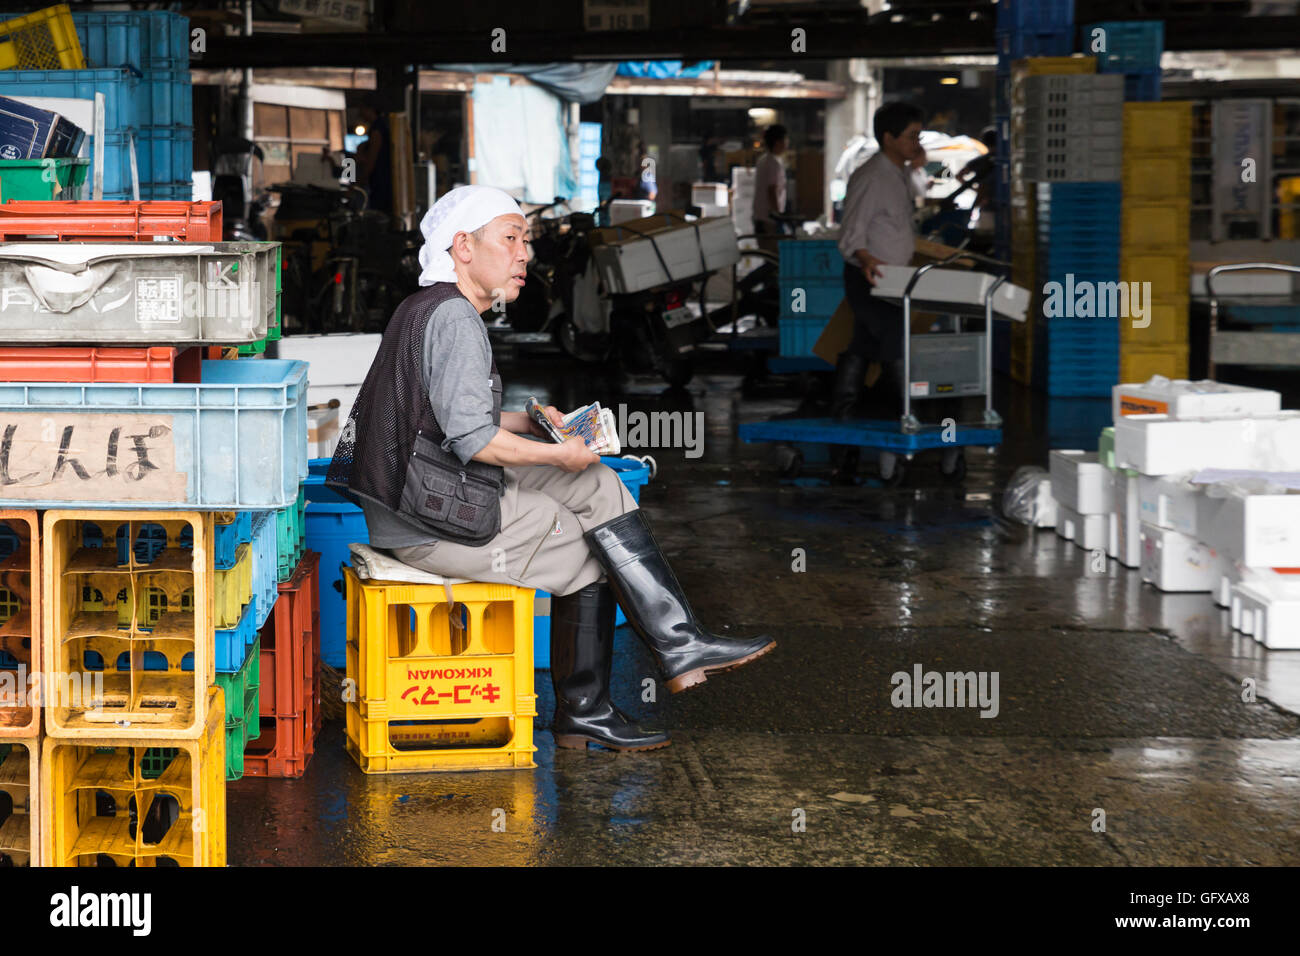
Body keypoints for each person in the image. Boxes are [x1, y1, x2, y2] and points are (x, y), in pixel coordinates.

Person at [326, 185, 775, 753]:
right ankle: (585, 712)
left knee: (595, 482)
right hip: (427, 524)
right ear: (463, 246)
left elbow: (446, 417)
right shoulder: (455, 319)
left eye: (526, 241)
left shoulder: (431, 306)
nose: (525, 255)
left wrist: (532, 420)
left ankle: (680, 643)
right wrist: (557, 451)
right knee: (591, 548)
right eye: (511, 239)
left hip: (421, 495)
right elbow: (472, 439)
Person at [834, 102, 926, 421]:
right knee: (894, 341)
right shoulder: (871, 177)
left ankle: (845, 413)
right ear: (889, 138)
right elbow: (851, 232)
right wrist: (866, 259)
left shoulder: (898, 173)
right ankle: (907, 414)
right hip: (869, 278)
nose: (918, 144)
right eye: (912, 137)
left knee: (863, 343)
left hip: (893, 279)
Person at [752, 124, 788, 251]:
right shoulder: (773, 163)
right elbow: (771, 190)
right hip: (769, 220)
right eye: (785, 140)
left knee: (769, 257)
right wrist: (777, 214)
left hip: (760, 216)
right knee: (775, 258)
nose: (786, 144)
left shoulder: (762, 160)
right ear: (778, 142)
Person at [355, 96, 393, 216]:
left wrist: (358, 183)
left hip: (380, 184)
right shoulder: (381, 126)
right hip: (382, 183)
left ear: (369, 109)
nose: (359, 112)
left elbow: (372, 161)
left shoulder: (377, 129)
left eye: (361, 108)